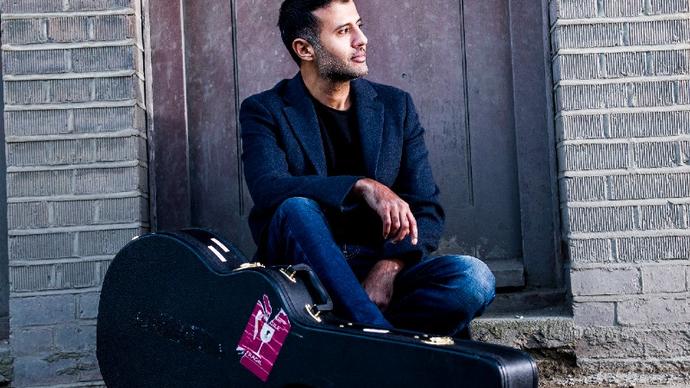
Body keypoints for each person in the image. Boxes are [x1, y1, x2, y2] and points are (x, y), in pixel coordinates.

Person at [239, 0, 495, 337]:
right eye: (344, 31)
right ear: (305, 49)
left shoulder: (395, 106)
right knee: (295, 208)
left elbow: (426, 208)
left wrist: (387, 269)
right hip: (305, 280)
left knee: (473, 279)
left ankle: (359, 335)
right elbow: (269, 187)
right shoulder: (265, 110)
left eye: (358, 25)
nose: (362, 39)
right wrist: (362, 185)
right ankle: (376, 341)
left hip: (378, 271)